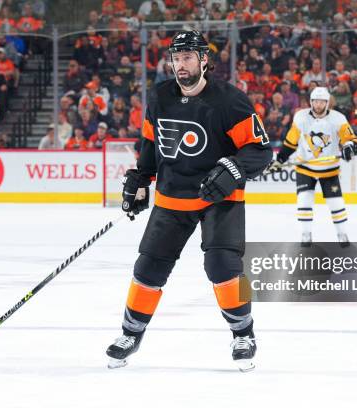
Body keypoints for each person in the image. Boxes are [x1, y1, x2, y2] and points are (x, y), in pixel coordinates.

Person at [106, 31, 272, 371]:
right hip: (172, 197)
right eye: (176, 58)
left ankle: (244, 333)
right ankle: (131, 333)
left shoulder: (230, 100)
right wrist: (141, 178)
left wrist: (232, 170)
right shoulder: (160, 96)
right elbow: (152, 143)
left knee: (224, 267)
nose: (180, 65)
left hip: (219, 199)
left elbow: (260, 151)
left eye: (187, 58)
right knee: (148, 268)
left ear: (204, 60)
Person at [267, 87, 357, 247]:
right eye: (315, 101)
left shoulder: (338, 119)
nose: (318, 105)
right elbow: (291, 142)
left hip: (329, 169)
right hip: (305, 168)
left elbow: (351, 139)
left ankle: (342, 233)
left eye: (322, 101)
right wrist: (280, 159)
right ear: (311, 102)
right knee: (304, 201)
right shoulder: (301, 117)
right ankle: (306, 233)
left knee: (336, 203)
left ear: (327, 103)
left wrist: (349, 148)